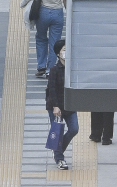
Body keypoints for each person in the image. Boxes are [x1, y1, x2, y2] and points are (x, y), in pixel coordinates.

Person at [33, 0, 68, 78]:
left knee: (41, 38)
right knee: (55, 42)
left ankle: (41, 65)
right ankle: (50, 69)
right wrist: (68, 11)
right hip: (57, 13)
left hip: (42, 12)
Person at [45, 39, 77, 169]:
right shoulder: (54, 70)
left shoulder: (73, 68)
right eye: (64, 50)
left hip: (70, 105)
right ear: (58, 53)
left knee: (74, 129)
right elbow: (51, 89)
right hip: (57, 105)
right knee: (57, 132)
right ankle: (60, 159)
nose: (66, 53)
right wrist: (55, 106)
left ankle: (57, 150)